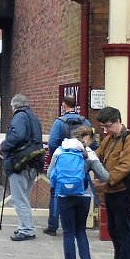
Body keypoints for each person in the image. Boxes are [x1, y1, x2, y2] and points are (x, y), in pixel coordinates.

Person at [48, 124, 109, 259]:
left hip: (64, 196)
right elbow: (104, 176)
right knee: (80, 230)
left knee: (68, 233)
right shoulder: (88, 153)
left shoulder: (60, 150)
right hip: (84, 195)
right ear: (86, 138)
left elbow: (50, 173)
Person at [94, 105, 130, 259]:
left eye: (108, 126)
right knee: (113, 228)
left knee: (123, 229)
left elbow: (125, 166)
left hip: (123, 190)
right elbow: (97, 155)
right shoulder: (110, 138)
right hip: (111, 190)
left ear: (118, 121)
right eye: (103, 127)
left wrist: (107, 180)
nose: (105, 130)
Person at [42, 95, 91, 236]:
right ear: (76, 105)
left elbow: (51, 143)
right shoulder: (85, 121)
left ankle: (53, 227)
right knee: (80, 191)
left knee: (56, 193)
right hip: (80, 164)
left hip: (62, 164)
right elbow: (92, 142)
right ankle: (78, 225)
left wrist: (59, 155)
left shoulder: (59, 122)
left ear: (63, 105)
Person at [0, 94, 43, 241]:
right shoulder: (34, 117)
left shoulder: (18, 117)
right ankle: (25, 226)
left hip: (19, 163)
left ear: (15, 106)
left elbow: (17, 137)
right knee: (24, 198)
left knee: (19, 199)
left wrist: (4, 145)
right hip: (33, 162)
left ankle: (27, 230)